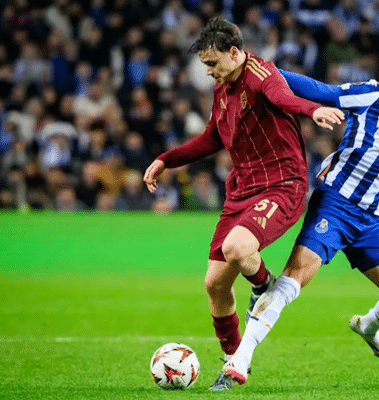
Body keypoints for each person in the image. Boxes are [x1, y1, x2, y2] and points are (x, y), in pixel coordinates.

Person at [220, 42, 379, 387]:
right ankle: (242, 357)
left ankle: (367, 326)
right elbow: (321, 91)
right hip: (335, 206)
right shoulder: (371, 95)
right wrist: (264, 72)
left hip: (373, 223)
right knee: (293, 279)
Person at [141, 17, 344, 390]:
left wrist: (312, 110)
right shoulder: (223, 88)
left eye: (212, 63)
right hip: (242, 190)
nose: (209, 71)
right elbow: (211, 138)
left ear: (234, 53)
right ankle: (234, 361)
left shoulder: (260, 73)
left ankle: (265, 286)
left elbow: (283, 98)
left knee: (237, 249)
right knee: (214, 285)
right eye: (205, 65)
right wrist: (166, 159)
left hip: (282, 185)